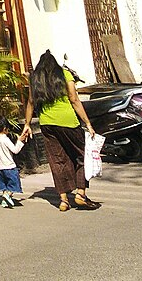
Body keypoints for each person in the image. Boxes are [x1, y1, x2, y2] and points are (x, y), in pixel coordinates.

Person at [22, 50, 100, 212]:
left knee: (57, 160)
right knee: (81, 155)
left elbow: (30, 102)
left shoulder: (35, 78)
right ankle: (80, 193)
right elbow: (74, 100)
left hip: (47, 124)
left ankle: (64, 200)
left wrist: (27, 124)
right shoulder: (65, 75)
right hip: (68, 122)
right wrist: (88, 123)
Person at [0, 115, 26, 208]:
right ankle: (7, 195)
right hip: (9, 166)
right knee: (14, 184)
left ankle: (5, 200)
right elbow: (15, 150)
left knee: (4, 185)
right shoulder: (5, 139)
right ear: (5, 128)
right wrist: (20, 141)